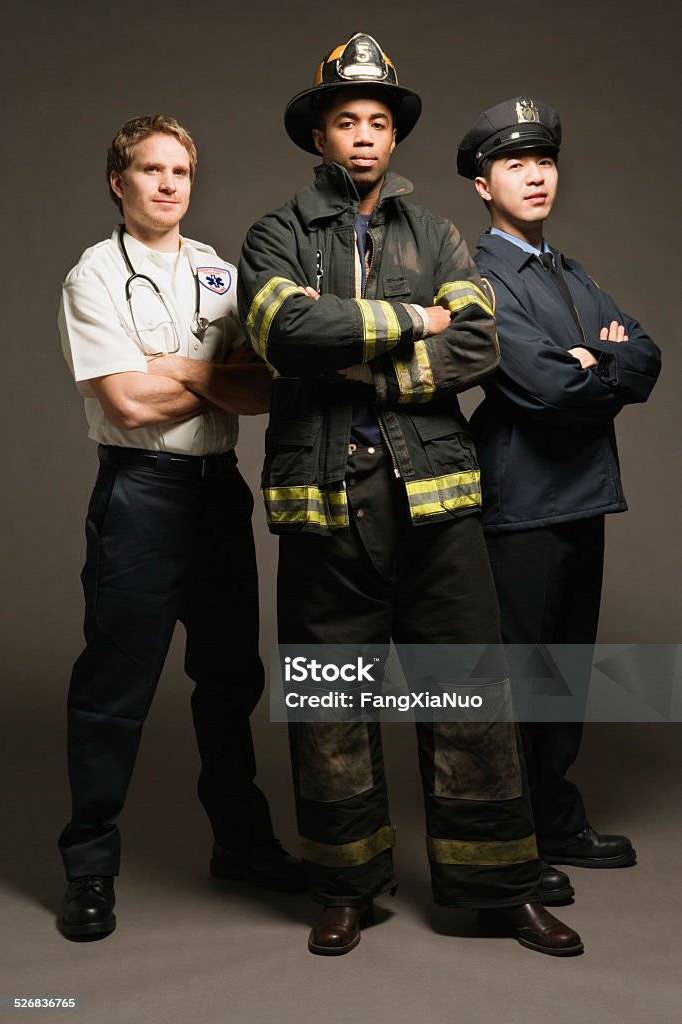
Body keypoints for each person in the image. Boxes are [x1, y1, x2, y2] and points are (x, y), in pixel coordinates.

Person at [237, 35, 583, 957]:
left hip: (434, 495)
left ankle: (499, 888)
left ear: (394, 138)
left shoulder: (435, 234)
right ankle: (344, 887)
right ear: (319, 134)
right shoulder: (275, 233)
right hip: (323, 502)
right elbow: (280, 328)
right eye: (344, 121)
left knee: (470, 692)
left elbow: (478, 342)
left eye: (377, 123)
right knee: (330, 703)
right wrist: (409, 320)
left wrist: (365, 371)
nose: (361, 137)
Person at [58, 114, 304, 941]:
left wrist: (170, 367)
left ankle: (241, 844)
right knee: (114, 688)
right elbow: (125, 403)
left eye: (180, 172)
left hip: (216, 492)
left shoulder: (219, 272)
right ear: (117, 181)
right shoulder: (92, 275)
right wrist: (212, 377)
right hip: (140, 496)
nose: (168, 184)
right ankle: (89, 863)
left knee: (232, 678)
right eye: (150, 170)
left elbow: (267, 388)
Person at [456, 97, 661, 890]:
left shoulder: (567, 271)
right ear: (482, 185)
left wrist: (595, 361)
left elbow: (643, 356)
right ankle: (510, 842)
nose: (535, 174)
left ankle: (557, 819)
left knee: (566, 672)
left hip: (581, 497)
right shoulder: (482, 279)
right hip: (522, 504)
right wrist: (582, 365)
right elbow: (542, 390)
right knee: (517, 678)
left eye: (541, 160)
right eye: (513, 163)